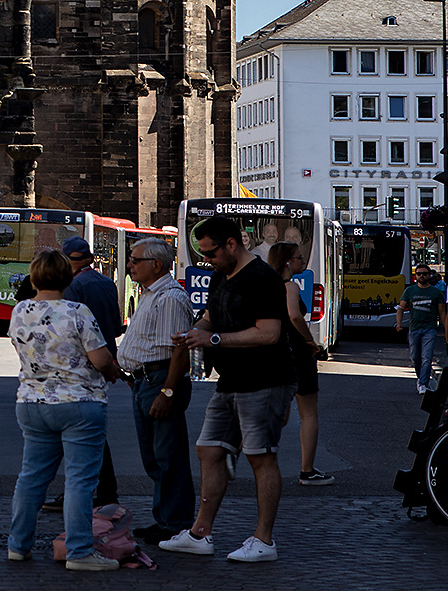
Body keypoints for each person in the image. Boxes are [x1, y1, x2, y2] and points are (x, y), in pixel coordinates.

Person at [161, 215, 297, 563]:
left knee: (261, 457)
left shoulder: (263, 279)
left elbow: (268, 333)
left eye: (210, 254)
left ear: (231, 245)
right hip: (231, 380)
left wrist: (213, 338)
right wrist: (195, 331)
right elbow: (211, 314)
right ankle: (200, 533)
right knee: (208, 449)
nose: (208, 261)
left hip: (265, 380)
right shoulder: (222, 274)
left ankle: (263, 540)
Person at [6, 248, 122, 572]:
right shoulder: (77, 311)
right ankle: (80, 551)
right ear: (68, 277)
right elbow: (100, 360)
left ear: (33, 276)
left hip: (31, 401)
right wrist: (115, 373)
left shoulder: (19, 311)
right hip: (78, 403)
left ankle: (18, 545)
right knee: (80, 481)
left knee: (31, 478)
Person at [115, 236, 194, 544]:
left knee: (168, 456)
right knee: (154, 456)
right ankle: (165, 518)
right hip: (144, 381)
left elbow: (179, 351)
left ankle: (175, 522)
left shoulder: (170, 297)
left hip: (159, 381)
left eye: (135, 260)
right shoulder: (150, 293)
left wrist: (168, 392)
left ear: (156, 265)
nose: (130, 264)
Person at [60, 236, 121, 507]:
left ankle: (83, 493)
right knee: (94, 431)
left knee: (76, 435)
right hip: (105, 358)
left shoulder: (73, 287)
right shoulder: (107, 282)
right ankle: (105, 492)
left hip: (81, 365)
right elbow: (117, 326)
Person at [268, 241, 334, 486]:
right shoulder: (290, 286)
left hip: (275, 352)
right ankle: (307, 470)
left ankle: (233, 449)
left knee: (277, 414)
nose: (303, 261)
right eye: (298, 257)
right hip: (297, 351)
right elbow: (294, 314)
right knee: (308, 413)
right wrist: (310, 340)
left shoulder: (265, 284)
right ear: (287, 261)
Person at [397, 262, 446, 393]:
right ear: (415, 276)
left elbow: (442, 312)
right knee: (415, 358)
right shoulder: (409, 291)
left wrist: (446, 328)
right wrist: (399, 323)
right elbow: (401, 308)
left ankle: (423, 383)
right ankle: (421, 378)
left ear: (429, 275)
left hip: (430, 329)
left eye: (424, 274)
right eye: (419, 274)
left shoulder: (436, 292)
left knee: (427, 357)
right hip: (414, 329)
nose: (422, 276)